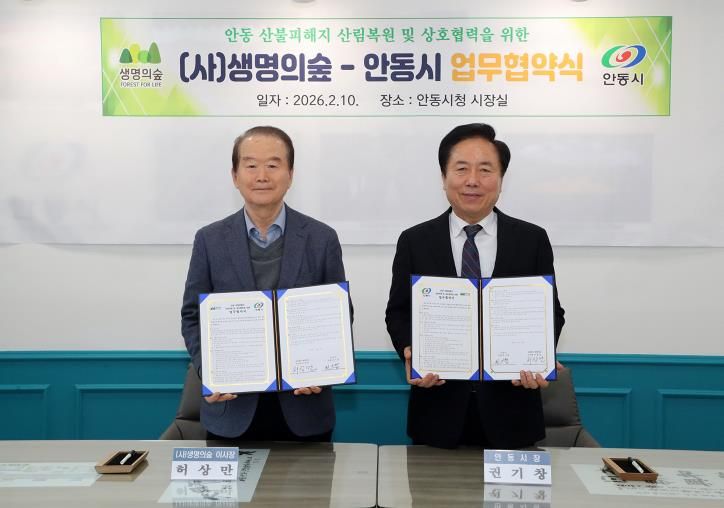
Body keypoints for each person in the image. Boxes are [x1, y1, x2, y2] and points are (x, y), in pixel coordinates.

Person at [385, 123, 565, 449]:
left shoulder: (532, 239)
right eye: (461, 169)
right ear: (444, 177)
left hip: (513, 411)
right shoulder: (415, 241)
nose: (472, 180)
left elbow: (552, 312)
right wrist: (410, 350)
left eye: (485, 170)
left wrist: (537, 357)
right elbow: (397, 312)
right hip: (437, 410)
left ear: (501, 179)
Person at [181, 126, 347, 441]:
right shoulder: (210, 240)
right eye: (251, 165)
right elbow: (192, 316)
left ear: (290, 174)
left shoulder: (321, 238)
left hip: (304, 409)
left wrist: (322, 373)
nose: (262, 176)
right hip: (231, 410)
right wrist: (211, 372)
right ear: (235, 175)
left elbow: (338, 314)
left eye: (272, 165)